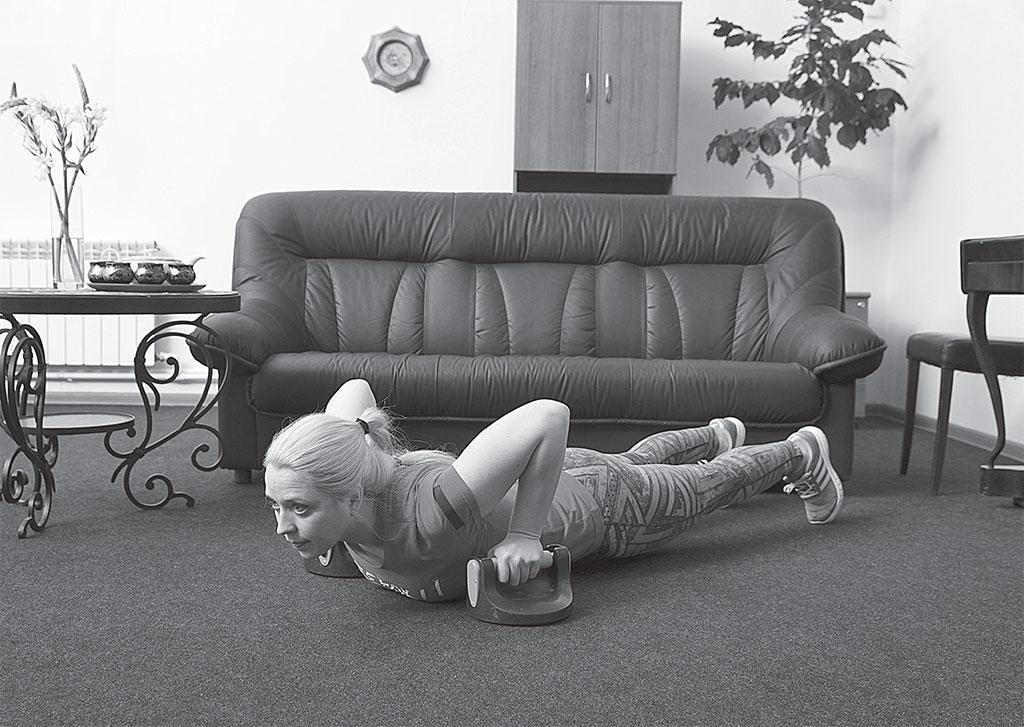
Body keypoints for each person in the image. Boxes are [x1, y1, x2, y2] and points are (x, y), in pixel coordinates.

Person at [264, 379, 843, 602]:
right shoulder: (360, 472)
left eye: (299, 508)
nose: (283, 527)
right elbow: (354, 392)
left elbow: (547, 414)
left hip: (609, 508)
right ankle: (716, 433)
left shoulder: (433, 510)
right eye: (277, 506)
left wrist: (524, 535)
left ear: (350, 495)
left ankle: (802, 451)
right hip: (565, 473)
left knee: (708, 485)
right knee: (635, 460)